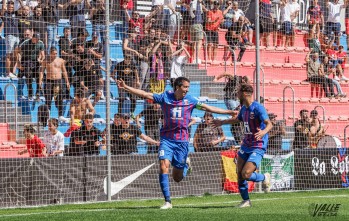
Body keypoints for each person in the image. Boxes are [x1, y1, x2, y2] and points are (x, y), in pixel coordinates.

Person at [116, 76, 235, 209]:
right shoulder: (165, 97)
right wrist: (125, 87)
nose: (187, 90)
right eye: (185, 87)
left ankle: (185, 166)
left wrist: (229, 112)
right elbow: (145, 94)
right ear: (177, 87)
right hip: (166, 139)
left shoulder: (190, 100)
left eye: (188, 88)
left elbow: (208, 107)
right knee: (163, 166)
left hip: (182, 142)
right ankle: (168, 201)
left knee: (177, 177)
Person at [212, 84, 272, 208]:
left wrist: (263, 132)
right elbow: (237, 119)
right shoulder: (244, 108)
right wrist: (222, 122)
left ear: (244, 93)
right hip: (246, 145)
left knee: (246, 174)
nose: (236, 94)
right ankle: (246, 201)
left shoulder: (258, 108)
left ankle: (264, 177)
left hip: (257, 145)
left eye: (238, 92)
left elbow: (269, 124)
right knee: (239, 173)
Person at [38, 47, 70, 119]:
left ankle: (60, 115)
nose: (55, 55)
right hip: (49, 81)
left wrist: (67, 81)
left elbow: (64, 71)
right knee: (48, 98)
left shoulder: (60, 60)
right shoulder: (46, 60)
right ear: (50, 53)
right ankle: (47, 115)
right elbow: (41, 71)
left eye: (56, 53)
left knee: (59, 98)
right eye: (53, 54)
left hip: (58, 81)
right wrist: (40, 81)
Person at [17, 32, 45, 100]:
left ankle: (38, 92)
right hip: (26, 60)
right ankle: (30, 93)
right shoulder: (26, 42)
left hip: (35, 61)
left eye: (37, 39)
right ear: (32, 37)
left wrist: (41, 59)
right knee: (28, 75)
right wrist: (19, 63)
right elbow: (17, 51)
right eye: (35, 39)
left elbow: (43, 55)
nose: (36, 41)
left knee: (40, 74)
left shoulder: (40, 43)